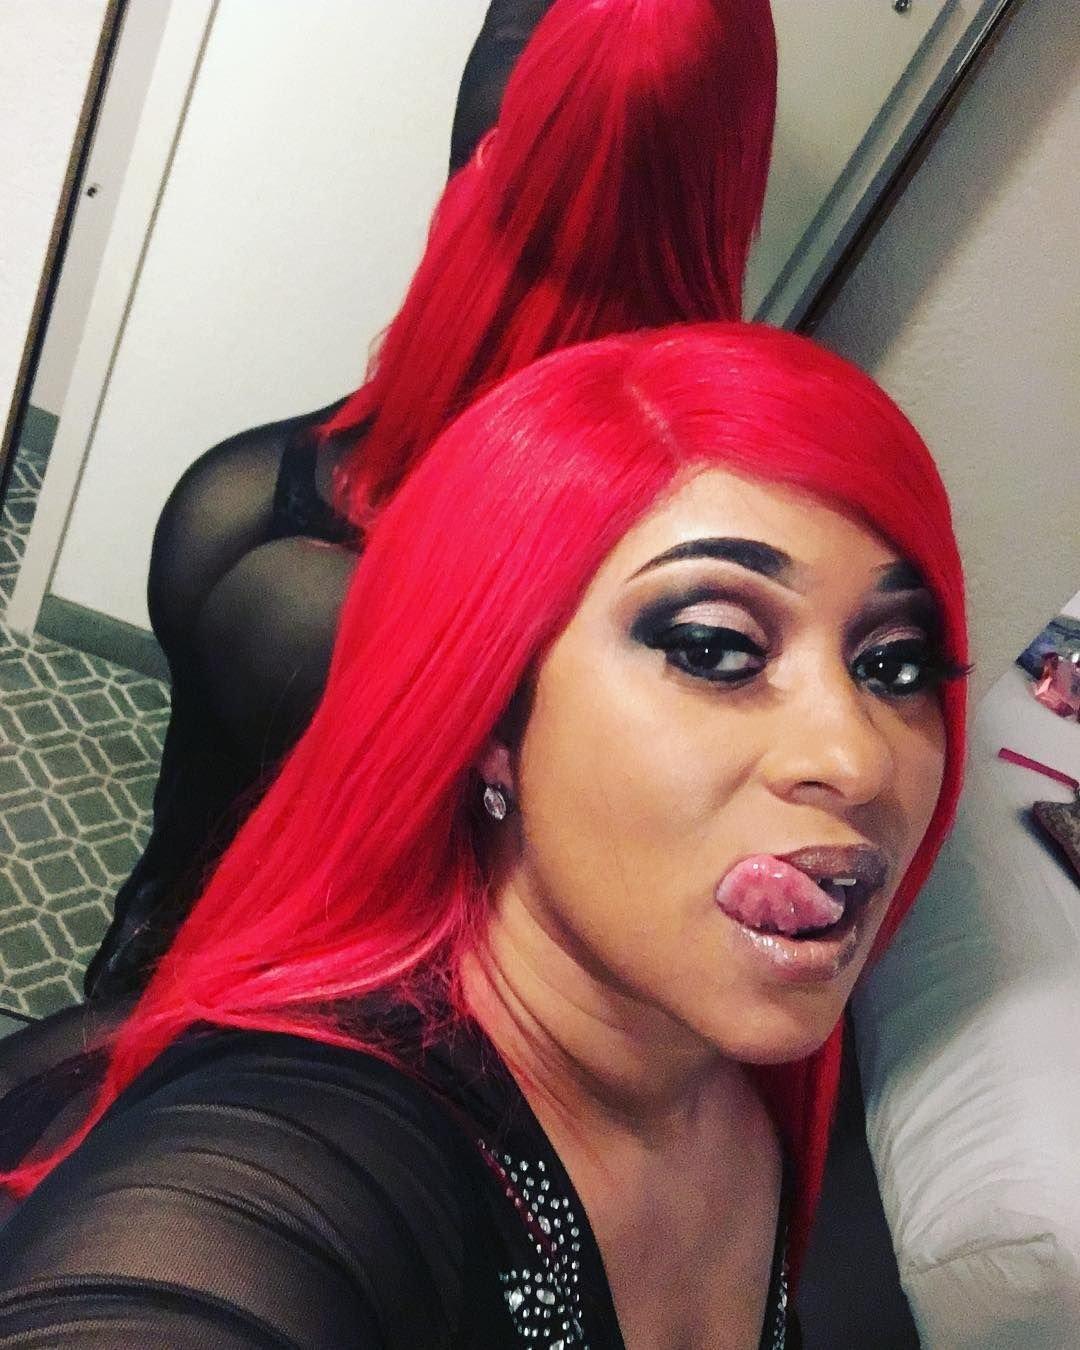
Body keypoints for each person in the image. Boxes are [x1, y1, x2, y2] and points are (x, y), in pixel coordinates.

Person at [0, 324, 968, 1347]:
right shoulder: (312, 1146)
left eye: (895, 665)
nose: (857, 758)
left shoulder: (750, 1073)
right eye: (715, 648)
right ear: (494, 725)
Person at [84, 0, 778, 1000]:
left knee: (192, 851)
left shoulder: (235, 504)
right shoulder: (686, 561)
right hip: (319, 1028)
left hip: (187, 977)